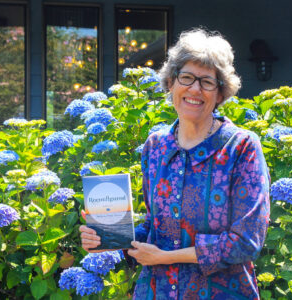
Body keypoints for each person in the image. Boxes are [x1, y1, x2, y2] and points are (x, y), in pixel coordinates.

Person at [80, 28, 270, 299]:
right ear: (171, 83)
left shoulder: (240, 147)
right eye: (186, 77)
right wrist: (107, 235)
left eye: (206, 82)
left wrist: (165, 257)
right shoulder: (155, 147)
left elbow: (246, 242)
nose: (195, 89)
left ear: (220, 93)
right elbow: (154, 227)